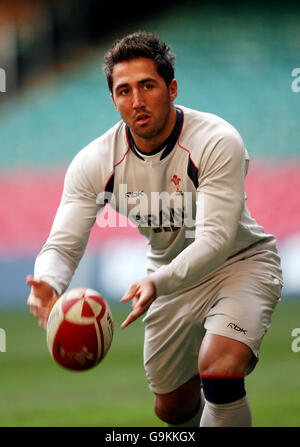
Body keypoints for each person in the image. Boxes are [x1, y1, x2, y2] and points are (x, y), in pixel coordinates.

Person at [27, 31, 283, 427]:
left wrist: (157, 283)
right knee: (172, 409)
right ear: (113, 99)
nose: (137, 101)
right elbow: (63, 244)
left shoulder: (216, 140)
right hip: (169, 273)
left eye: (147, 86)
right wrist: (48, 282)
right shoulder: (94, 162)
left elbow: (215, 240)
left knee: (219, 369)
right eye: (124, 90)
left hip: (240, 262)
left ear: (172, 88)